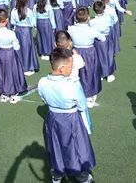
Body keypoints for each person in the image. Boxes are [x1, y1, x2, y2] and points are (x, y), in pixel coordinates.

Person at [38, 47, 96, 183]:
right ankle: (81, 175)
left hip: (52, 118)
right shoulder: (72, 85)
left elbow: (44, 99)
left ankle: (57, 174)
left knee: (55, 146)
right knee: (77, 148)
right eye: (71, 66)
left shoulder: (42, 82)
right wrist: (88, 127)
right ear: (62, 68)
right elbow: (82, 107)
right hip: (72, 120)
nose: (72, 69)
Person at [68, 7, 106, 108]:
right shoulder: (92, 30)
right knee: (90, 73)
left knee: (76, 73)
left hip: (75, 52)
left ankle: (77, 94)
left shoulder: (71, 29)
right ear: (88, 17)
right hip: (89, 53)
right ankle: (90, 96)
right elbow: (102, 38)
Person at [0, 10, 27, 104]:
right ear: (7, 20)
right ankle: (13, 94)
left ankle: (3, 94)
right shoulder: (11, 33)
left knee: (1, 72)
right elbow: (16, 46)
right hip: (10, 53)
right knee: (12, 72)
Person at [11, 0, 39, 75]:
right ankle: (28, 67)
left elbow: (12, 22)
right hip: (26, 31)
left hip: (18, 30)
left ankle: (22, 67)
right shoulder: (28, 11)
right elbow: (33, 23)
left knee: (19, 48)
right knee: (28, 48)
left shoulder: (14, 11)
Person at [89, 1, 116, 83]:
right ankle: (109, 74)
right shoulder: (108, 19)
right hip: (106, 38)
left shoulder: (91, 22)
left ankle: (100, 74)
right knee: (109, 56)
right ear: (104, 8)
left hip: (96, 41)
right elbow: (113, 24)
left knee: (98, 57)